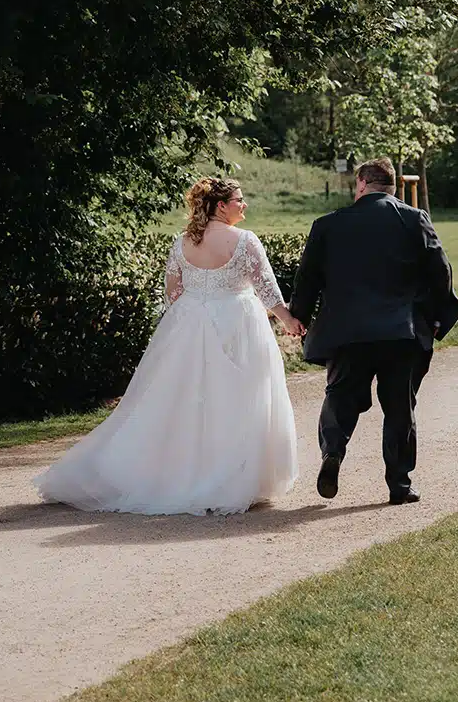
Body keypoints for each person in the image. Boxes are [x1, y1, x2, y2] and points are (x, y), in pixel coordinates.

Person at [34, 176, 303, 516]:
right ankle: (232, 476)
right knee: (238, 397)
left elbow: (173, 291)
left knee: (183, 401)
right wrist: (287, 320)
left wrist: (198, 306)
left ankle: (179, 471)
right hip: (237, 323)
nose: (244, 204)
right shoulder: (245, 241)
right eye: (239, 199)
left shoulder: (182, 242)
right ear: (221, 206)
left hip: (188, 325)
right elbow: (267, 288)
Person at [289, 156, 458, 505]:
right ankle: (399, 485)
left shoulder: (328, 225)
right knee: (399, 407)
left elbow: (307, 277)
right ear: (393, 186)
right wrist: (439, 316)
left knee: (340, 395)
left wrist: (299, 315)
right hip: (401, 331)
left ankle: (333, 453)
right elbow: (439, 269)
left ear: (362, 185)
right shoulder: (414, 219)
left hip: (347, 331)